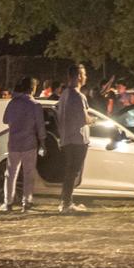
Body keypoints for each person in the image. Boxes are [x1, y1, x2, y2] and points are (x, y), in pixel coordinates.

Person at [1, 76, 46, 212]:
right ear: (32, 88)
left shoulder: (12, 103)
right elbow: (40, 126)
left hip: (14, 143)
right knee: (28, 174)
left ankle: (8, 202)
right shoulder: (35, 105)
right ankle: (27, 203)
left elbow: (5, 120)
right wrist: (43, 142)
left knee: (10, 174)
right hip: (29, 143)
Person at [55, 64, 96, 213]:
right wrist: (93, 120)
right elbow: (84, 118)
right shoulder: (79, 96)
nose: (86, 77)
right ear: (78, 76)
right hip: (78, 139)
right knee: (73, 172)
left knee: (70, 171)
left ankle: (65, 202)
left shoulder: (65, 94)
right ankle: (67, 203)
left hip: (67, 138)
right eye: (84, 74)